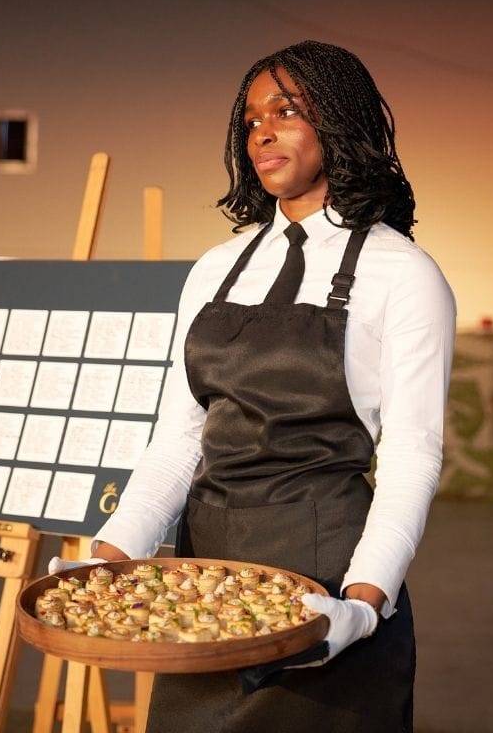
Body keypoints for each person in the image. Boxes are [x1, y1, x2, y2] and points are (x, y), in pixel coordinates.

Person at [51, 40, 455, 732]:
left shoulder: (404, 274)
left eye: (287, 110)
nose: (262, 130)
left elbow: (413, 455)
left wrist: (364, 604)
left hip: (325, 583)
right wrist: (108, 558)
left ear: (339, 120)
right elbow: (181, 440)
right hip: (203, 589)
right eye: (249, 120)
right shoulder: (215, 268)